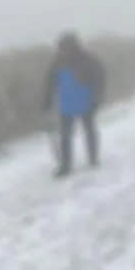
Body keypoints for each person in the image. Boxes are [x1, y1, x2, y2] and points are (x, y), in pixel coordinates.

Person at [42, 32, 105, 178]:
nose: (63, 50)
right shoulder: (57, 62)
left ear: (74, 45)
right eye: (61, 47)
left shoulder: (88, 60)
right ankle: (66, 165)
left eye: (65, 46)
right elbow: (50, 83)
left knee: (89, 131)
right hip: (67, 104)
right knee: (65, 135)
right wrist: (47, 101)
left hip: (86, 101)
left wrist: (97, 98)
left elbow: (99, 78)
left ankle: (93, 158)